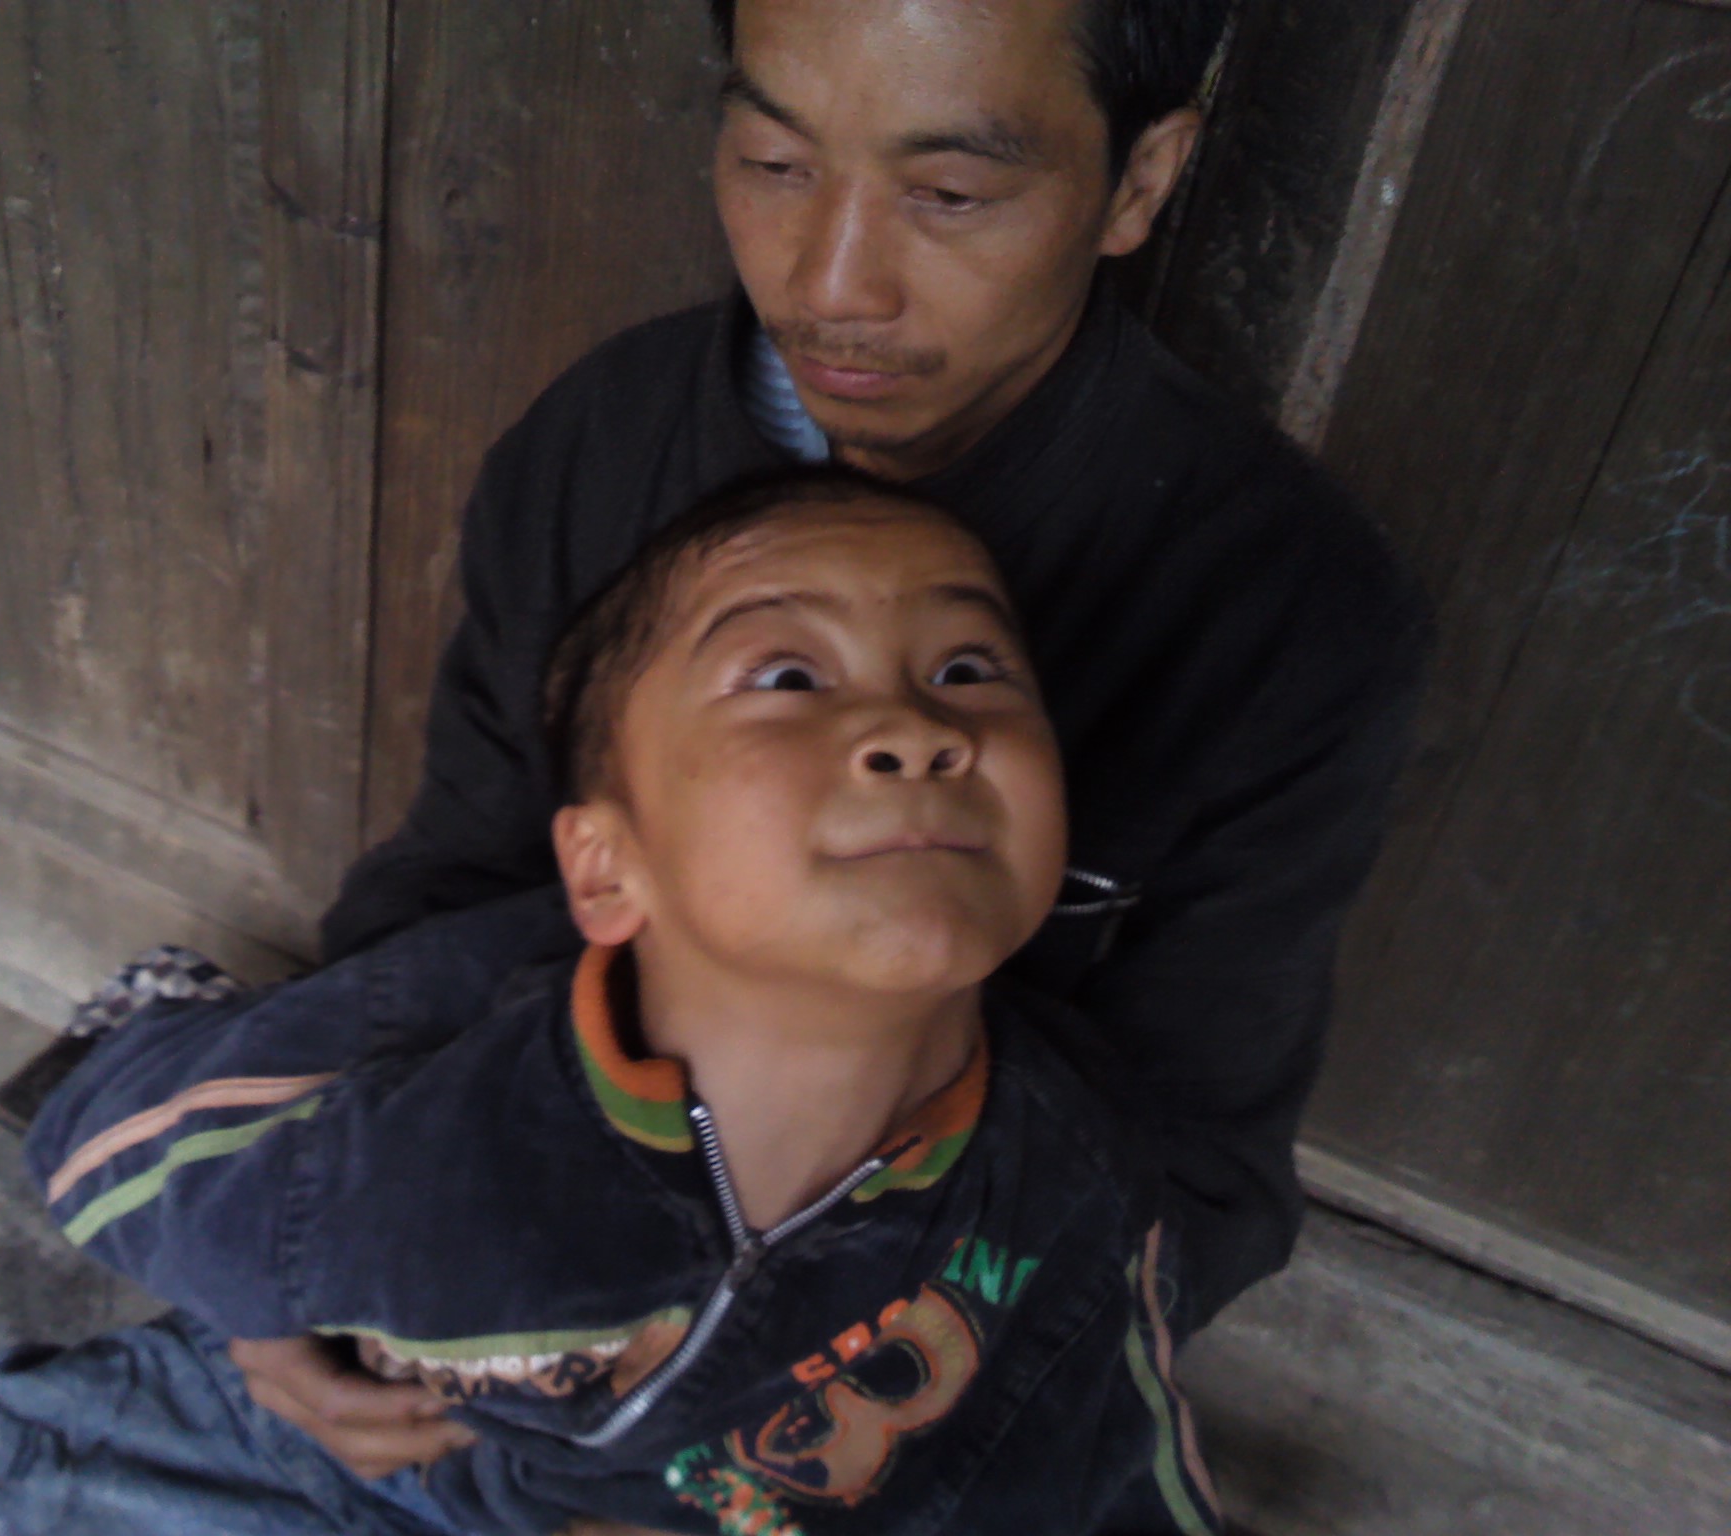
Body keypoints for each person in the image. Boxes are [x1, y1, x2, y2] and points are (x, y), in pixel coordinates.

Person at [251, 0, 1427, 1477]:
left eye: (950, 193)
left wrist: (809, 1452)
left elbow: (1196, 1165)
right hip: (495, 1289)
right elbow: (453, 882)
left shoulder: (1284, 608)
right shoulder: (602, 444)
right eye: (774, 163)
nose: (831, 284)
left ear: (1138, 181)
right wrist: (291, 1235)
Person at [0, 472, 1223, 1536]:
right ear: (606, 870)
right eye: (788, 676)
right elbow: (119, 1143)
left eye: (970, 670)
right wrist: (257, 1314)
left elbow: (1122, 1475)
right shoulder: (444, 1080)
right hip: (366, 1461)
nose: (919, 730)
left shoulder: (1072, 1176)